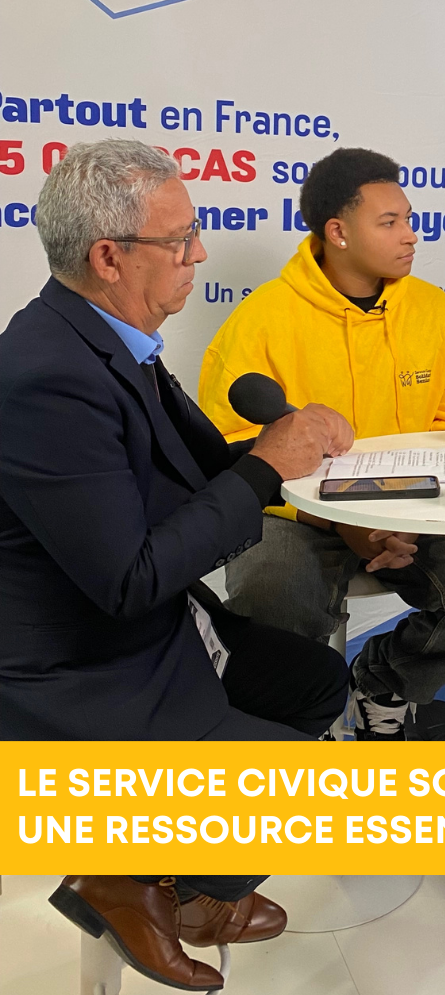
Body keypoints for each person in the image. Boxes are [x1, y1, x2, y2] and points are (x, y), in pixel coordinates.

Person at [0, 140, 354, 990]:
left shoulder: (113, 342)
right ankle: (122, 877)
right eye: (181, 239)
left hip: (157, 632)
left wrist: (286, 451)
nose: (199, 254)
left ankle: (177, 883)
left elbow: (188, 480)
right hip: (81, 671)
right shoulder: (46, 376)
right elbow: (128, 579)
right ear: (109, 257)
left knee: (318, 684)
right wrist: (264, 468)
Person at [198, 147, 445, 740]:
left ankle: (383, 682)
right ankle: (300, 724)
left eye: (409, 218)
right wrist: (338, 517)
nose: (411, 234)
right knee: (272, 596)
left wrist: (410, 510)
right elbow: (234, 445)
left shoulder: (436, 313)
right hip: (295, 515)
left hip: (417, 509)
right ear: (338, 232)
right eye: (390, 222)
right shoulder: (261, 321)